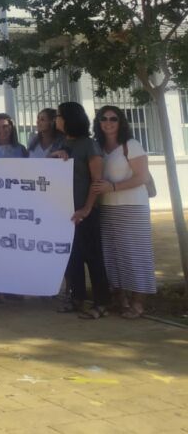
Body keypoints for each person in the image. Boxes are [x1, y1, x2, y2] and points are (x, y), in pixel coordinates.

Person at [92, 106, 154, 319]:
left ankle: (138, 303)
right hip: (107, 208)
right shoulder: (98, 147)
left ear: (121, 122)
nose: (108, 122)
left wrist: (113, 187)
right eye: (103, 118)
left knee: (135, 255)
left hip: (132, 207)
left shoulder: (131, 145)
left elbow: (142, 177)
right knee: (112, 256)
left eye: (113, 118)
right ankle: (121, 300)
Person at [54, 102, 109, 319]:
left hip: (85, 212)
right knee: (72, 257)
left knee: (93, 258)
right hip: (65, 212)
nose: (56, 119)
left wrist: (86, 208)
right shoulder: (61, 143)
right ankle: (77, 298)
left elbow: (97, 181)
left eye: (59, 115)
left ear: (70, 119)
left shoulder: (89, 145)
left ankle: (101, 302)